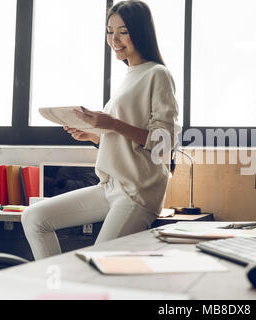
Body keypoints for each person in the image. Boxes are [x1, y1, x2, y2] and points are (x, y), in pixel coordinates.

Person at [22, 0, 180, 260]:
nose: (114, 39)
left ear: (140, 31)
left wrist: (111, 124)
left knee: (98, 262)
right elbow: (125, 140)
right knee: (34, 218)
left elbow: (164, 142)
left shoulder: (157, 74)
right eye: (110, 31)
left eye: (123, 31)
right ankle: (57, 288)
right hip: (110, 186)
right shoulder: (129, 75)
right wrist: (95, 137)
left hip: (137, 192)